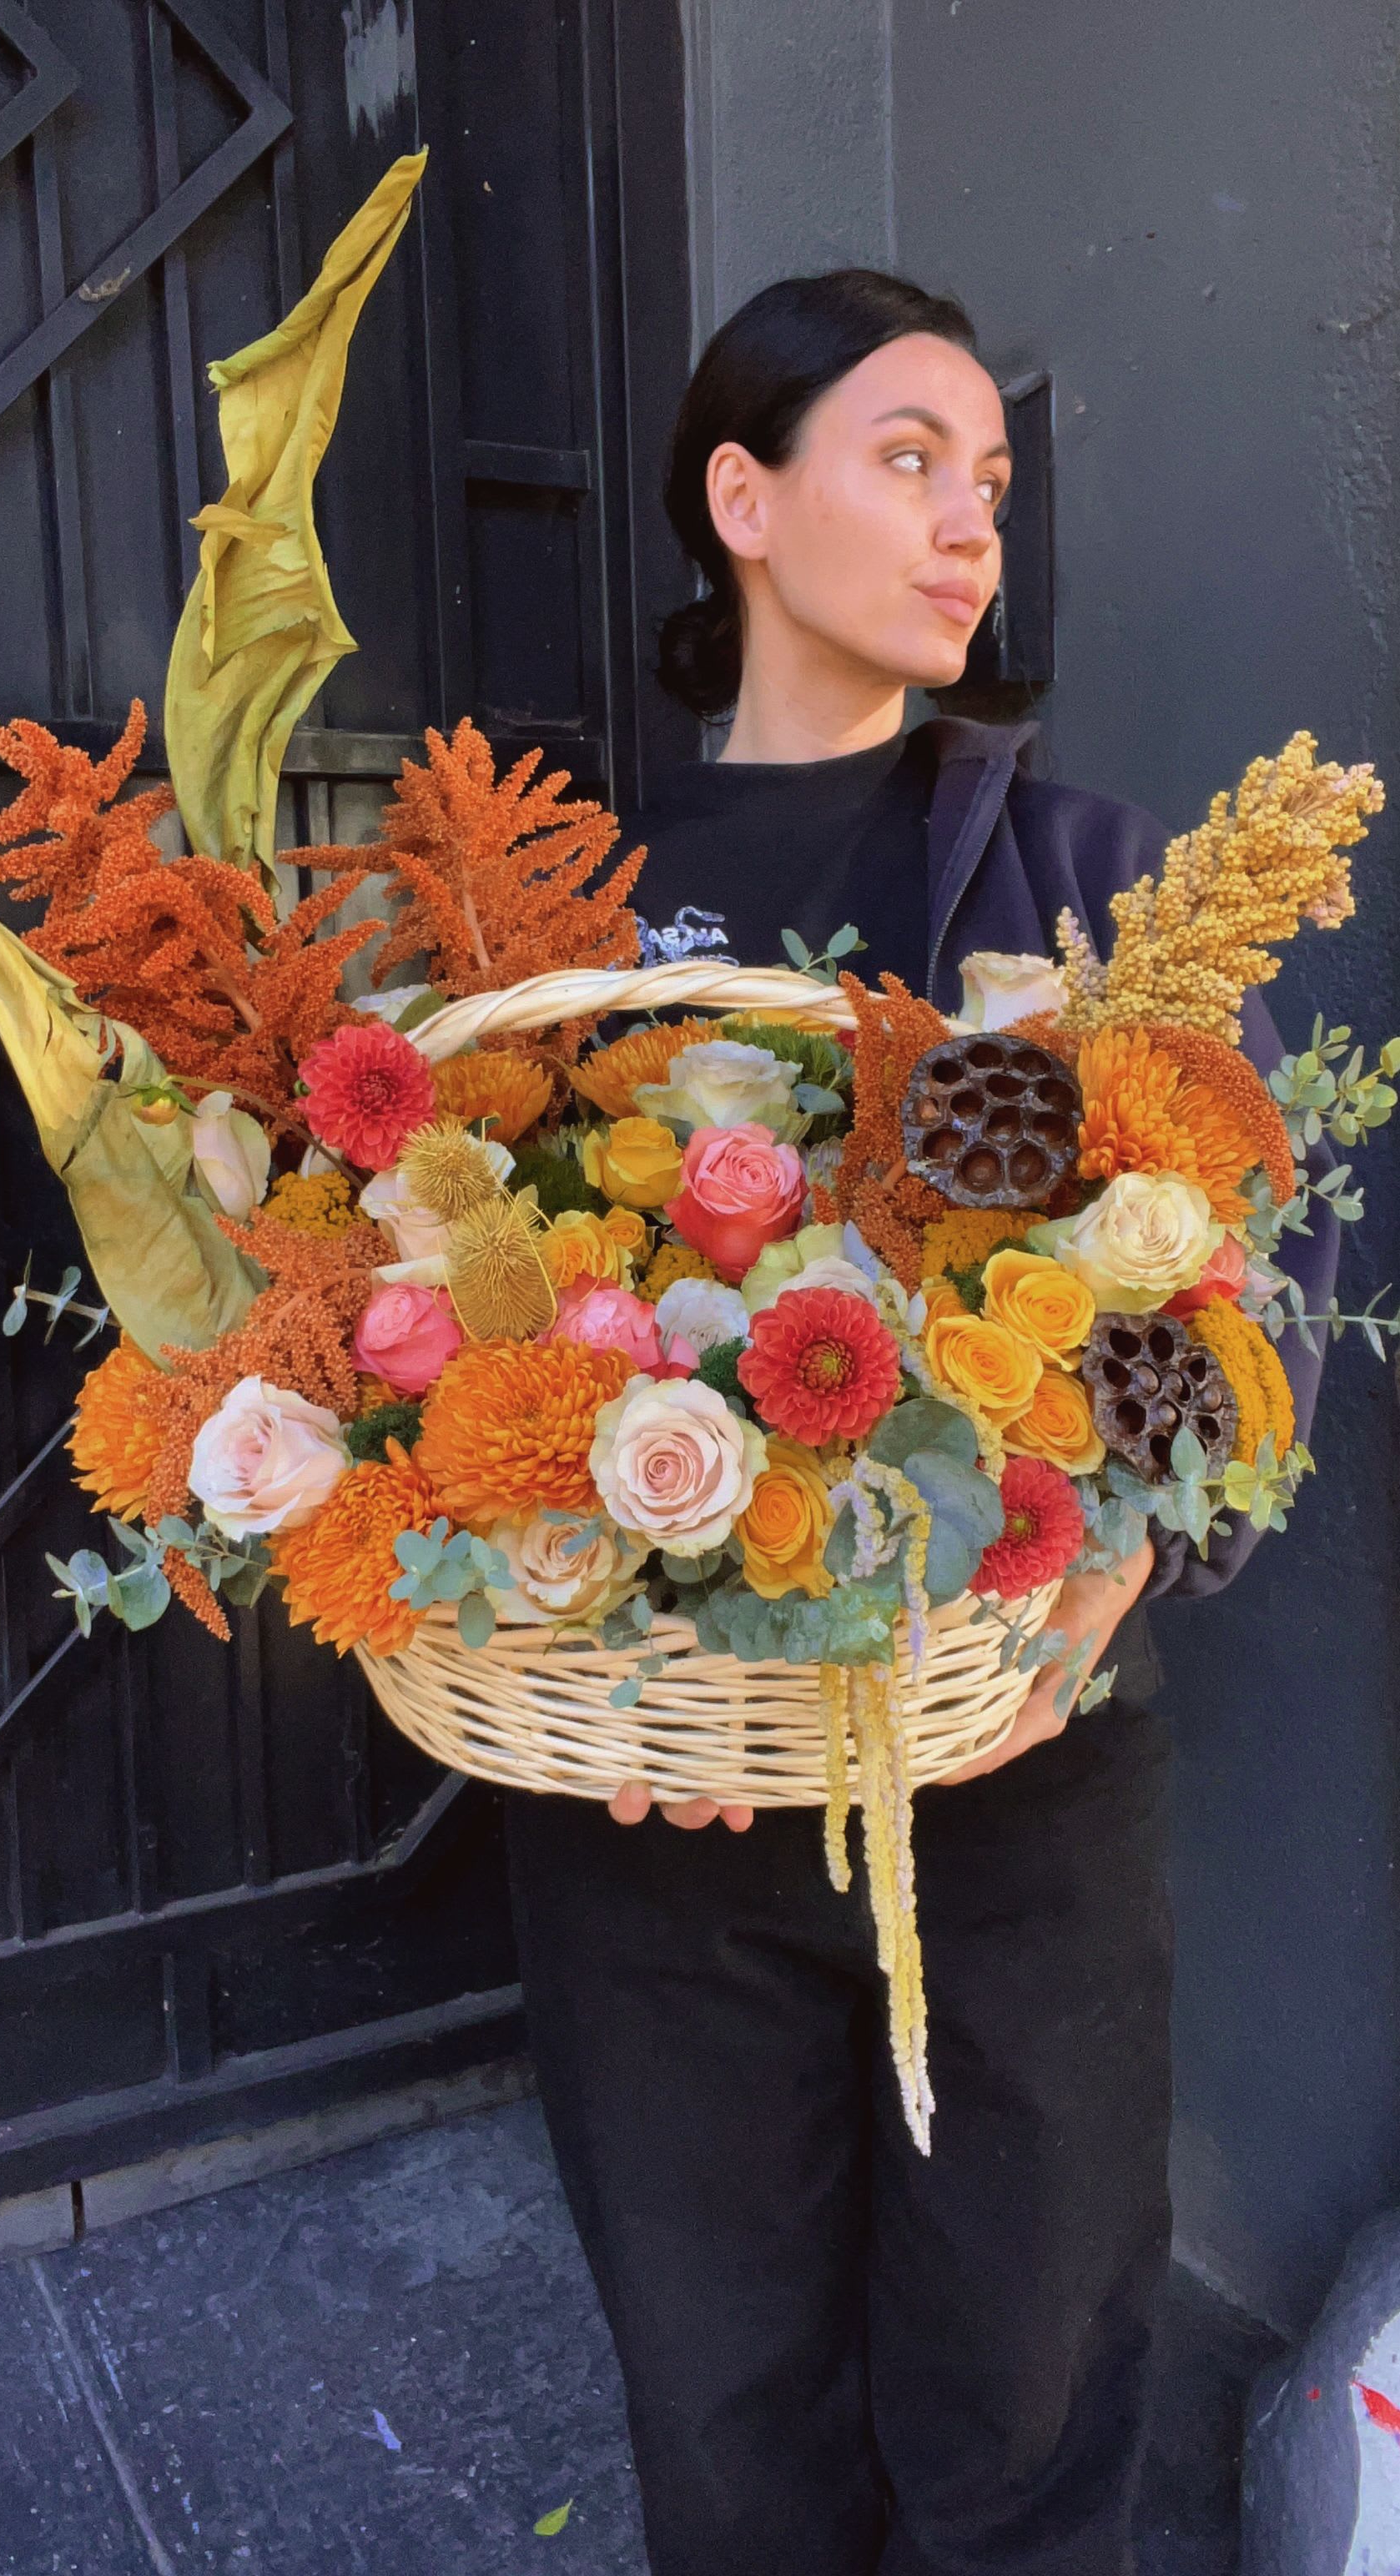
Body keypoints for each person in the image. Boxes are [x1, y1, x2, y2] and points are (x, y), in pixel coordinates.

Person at [501, 270, 1337, 2576]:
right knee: (722, 2402)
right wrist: (606, 1647)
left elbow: (1245, 1285)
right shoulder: (556, 893)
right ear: (738, 499)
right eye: (904, 459)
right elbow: (418, 1325)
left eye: (986, 476)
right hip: (657, 1818)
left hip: (1010, 1779)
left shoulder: (1081, 872)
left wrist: (1114, 1559)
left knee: (1028, 2391)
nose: (971, 524)